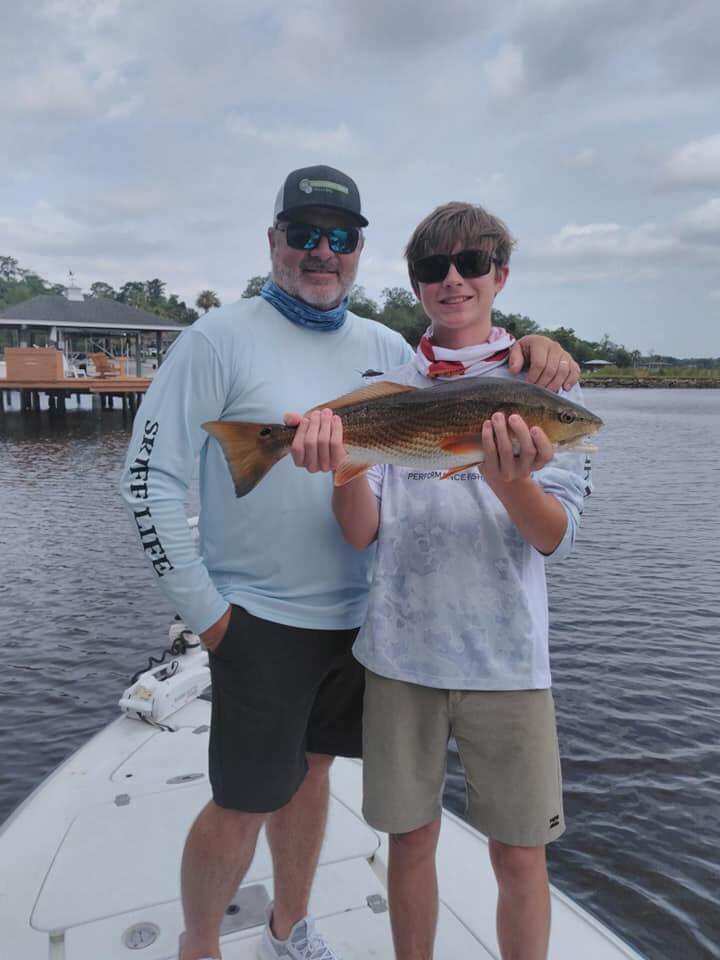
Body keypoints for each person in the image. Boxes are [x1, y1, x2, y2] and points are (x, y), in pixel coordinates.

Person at [120, 169, 580, 960]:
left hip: (364, 627)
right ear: (275, 241)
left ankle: (287, 929)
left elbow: (458, 385)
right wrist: (209, 616)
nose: (320, 251)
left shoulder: (386, 351)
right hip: (257, 620)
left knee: (310, 780)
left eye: (339, 236)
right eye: (303, 233)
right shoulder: (215, 337)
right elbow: (147, 482)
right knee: (244, 800)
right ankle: (199, 945)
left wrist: (541, 351)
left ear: (360, 250)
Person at [288, 201, 594, 960]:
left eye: (470, 264)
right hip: (399, 658)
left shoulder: (546, 385)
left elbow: (552, 535)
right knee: (410, 842)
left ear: (500, 276)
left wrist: (509, 478)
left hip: (509, 663)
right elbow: (361, 532)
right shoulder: (380, 387)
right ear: (417, 283)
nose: (452, 280)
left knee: (520, 854)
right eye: (433, 268)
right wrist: (340, 466)